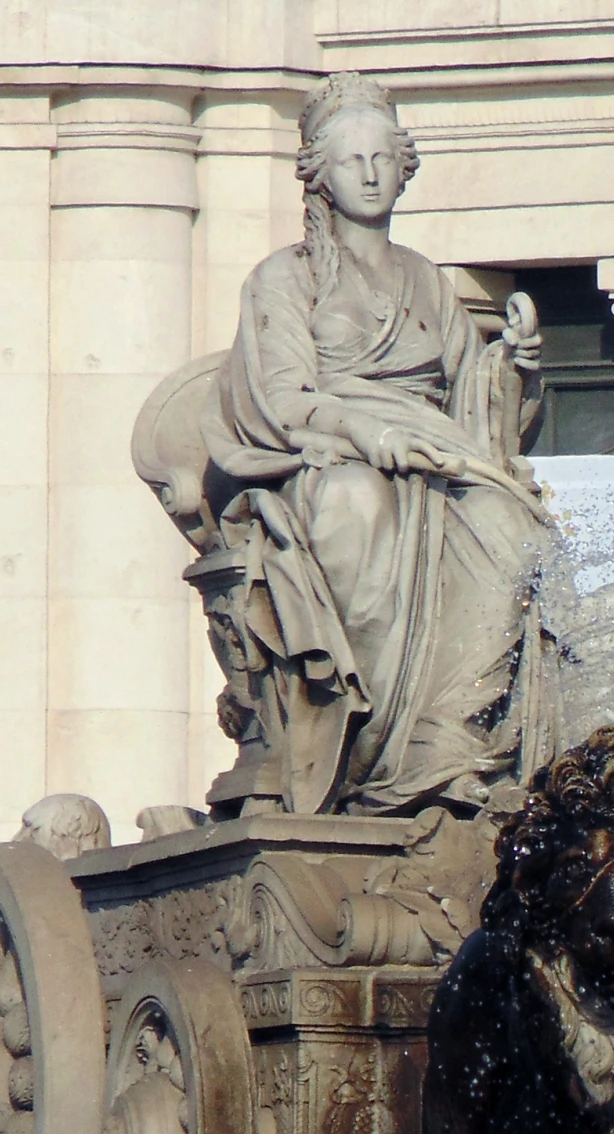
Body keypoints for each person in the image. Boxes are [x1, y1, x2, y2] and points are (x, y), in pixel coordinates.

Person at [204, 71, 556, 814]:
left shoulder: (427, 281)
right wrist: (373, 432)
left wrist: (512, 367)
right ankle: (361, 751)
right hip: (324, 461)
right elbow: (285, 399)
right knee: (359, 506)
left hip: (433, 457)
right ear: (318, 177)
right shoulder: (283, 279)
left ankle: (445, 743)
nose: (368, 174)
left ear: (404, 167)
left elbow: (477, 411)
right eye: (349, 160)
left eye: (381, 158)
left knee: (512, 527)